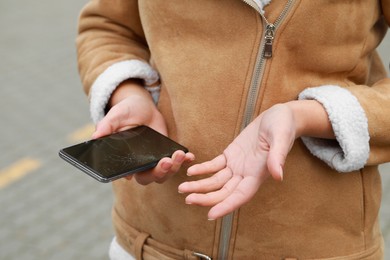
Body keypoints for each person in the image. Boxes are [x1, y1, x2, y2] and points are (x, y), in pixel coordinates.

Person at [76, 0, 390, 259]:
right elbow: (107, 27)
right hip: (152, 243)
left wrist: (311, 115)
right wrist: (129, 92)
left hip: (319, 247)